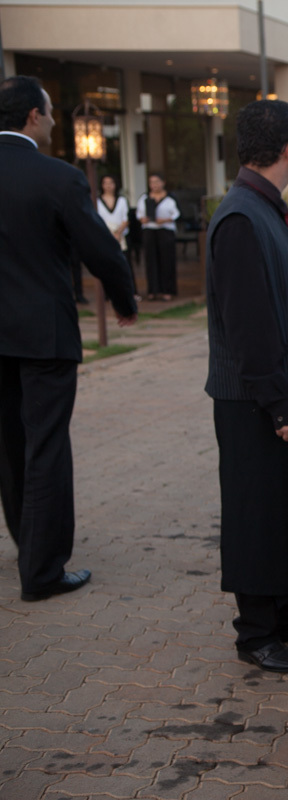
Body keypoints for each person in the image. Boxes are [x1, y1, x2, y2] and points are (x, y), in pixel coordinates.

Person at [205, 99, 288, 673]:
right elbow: (248, 326)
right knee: (258, 514)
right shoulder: (240, 218)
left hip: (285, 387)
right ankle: (256, 633)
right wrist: (282, 407)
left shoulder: (263, 208)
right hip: (257, 400)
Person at [0, 76, 138, 601]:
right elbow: (100, 251)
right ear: (33, 117)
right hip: (44, 334)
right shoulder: (56, 177)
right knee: (46, 447)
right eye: (52, 112)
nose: (56, 120)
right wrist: (125, 300)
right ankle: (42, 571)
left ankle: (27, 546)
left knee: (11, 447)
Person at [137, 173, 180, 301]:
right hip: (150, 230)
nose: (154, 185)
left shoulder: (170, 198)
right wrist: (142, 219)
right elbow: (139, 214)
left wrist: (166, 220)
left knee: (167, 260)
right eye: (151, 182)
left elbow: (177, 214)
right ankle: (153, 290)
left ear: (163, 182)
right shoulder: (144, 198)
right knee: (151, 260)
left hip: (165, 230)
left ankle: (168, 290)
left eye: (157, 182)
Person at [97, 174, 137, 301]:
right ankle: (109, 293)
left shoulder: (122, 200)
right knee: (107, 266)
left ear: (115, 185)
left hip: (121, 235)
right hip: (105, 236)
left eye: (111, 183)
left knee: (125, 264)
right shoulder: (96, 201)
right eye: (105, 183)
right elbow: (97, 219)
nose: (108, 186)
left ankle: (129, 292)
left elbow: (126, 219)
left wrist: (118, 233)